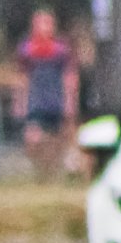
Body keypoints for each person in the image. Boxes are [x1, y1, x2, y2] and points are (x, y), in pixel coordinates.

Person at [16, 10, 79, 179]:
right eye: (39, 23)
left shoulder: (60, 51)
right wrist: (20, 102)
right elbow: (23, 78)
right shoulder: (27, 50)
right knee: (33, 138)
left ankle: (53, 173)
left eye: (46, 23)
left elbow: (69, 77)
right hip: (36, 101)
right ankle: (40, 170)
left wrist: (70, 101)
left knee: (59, 140)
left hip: (56, 100)